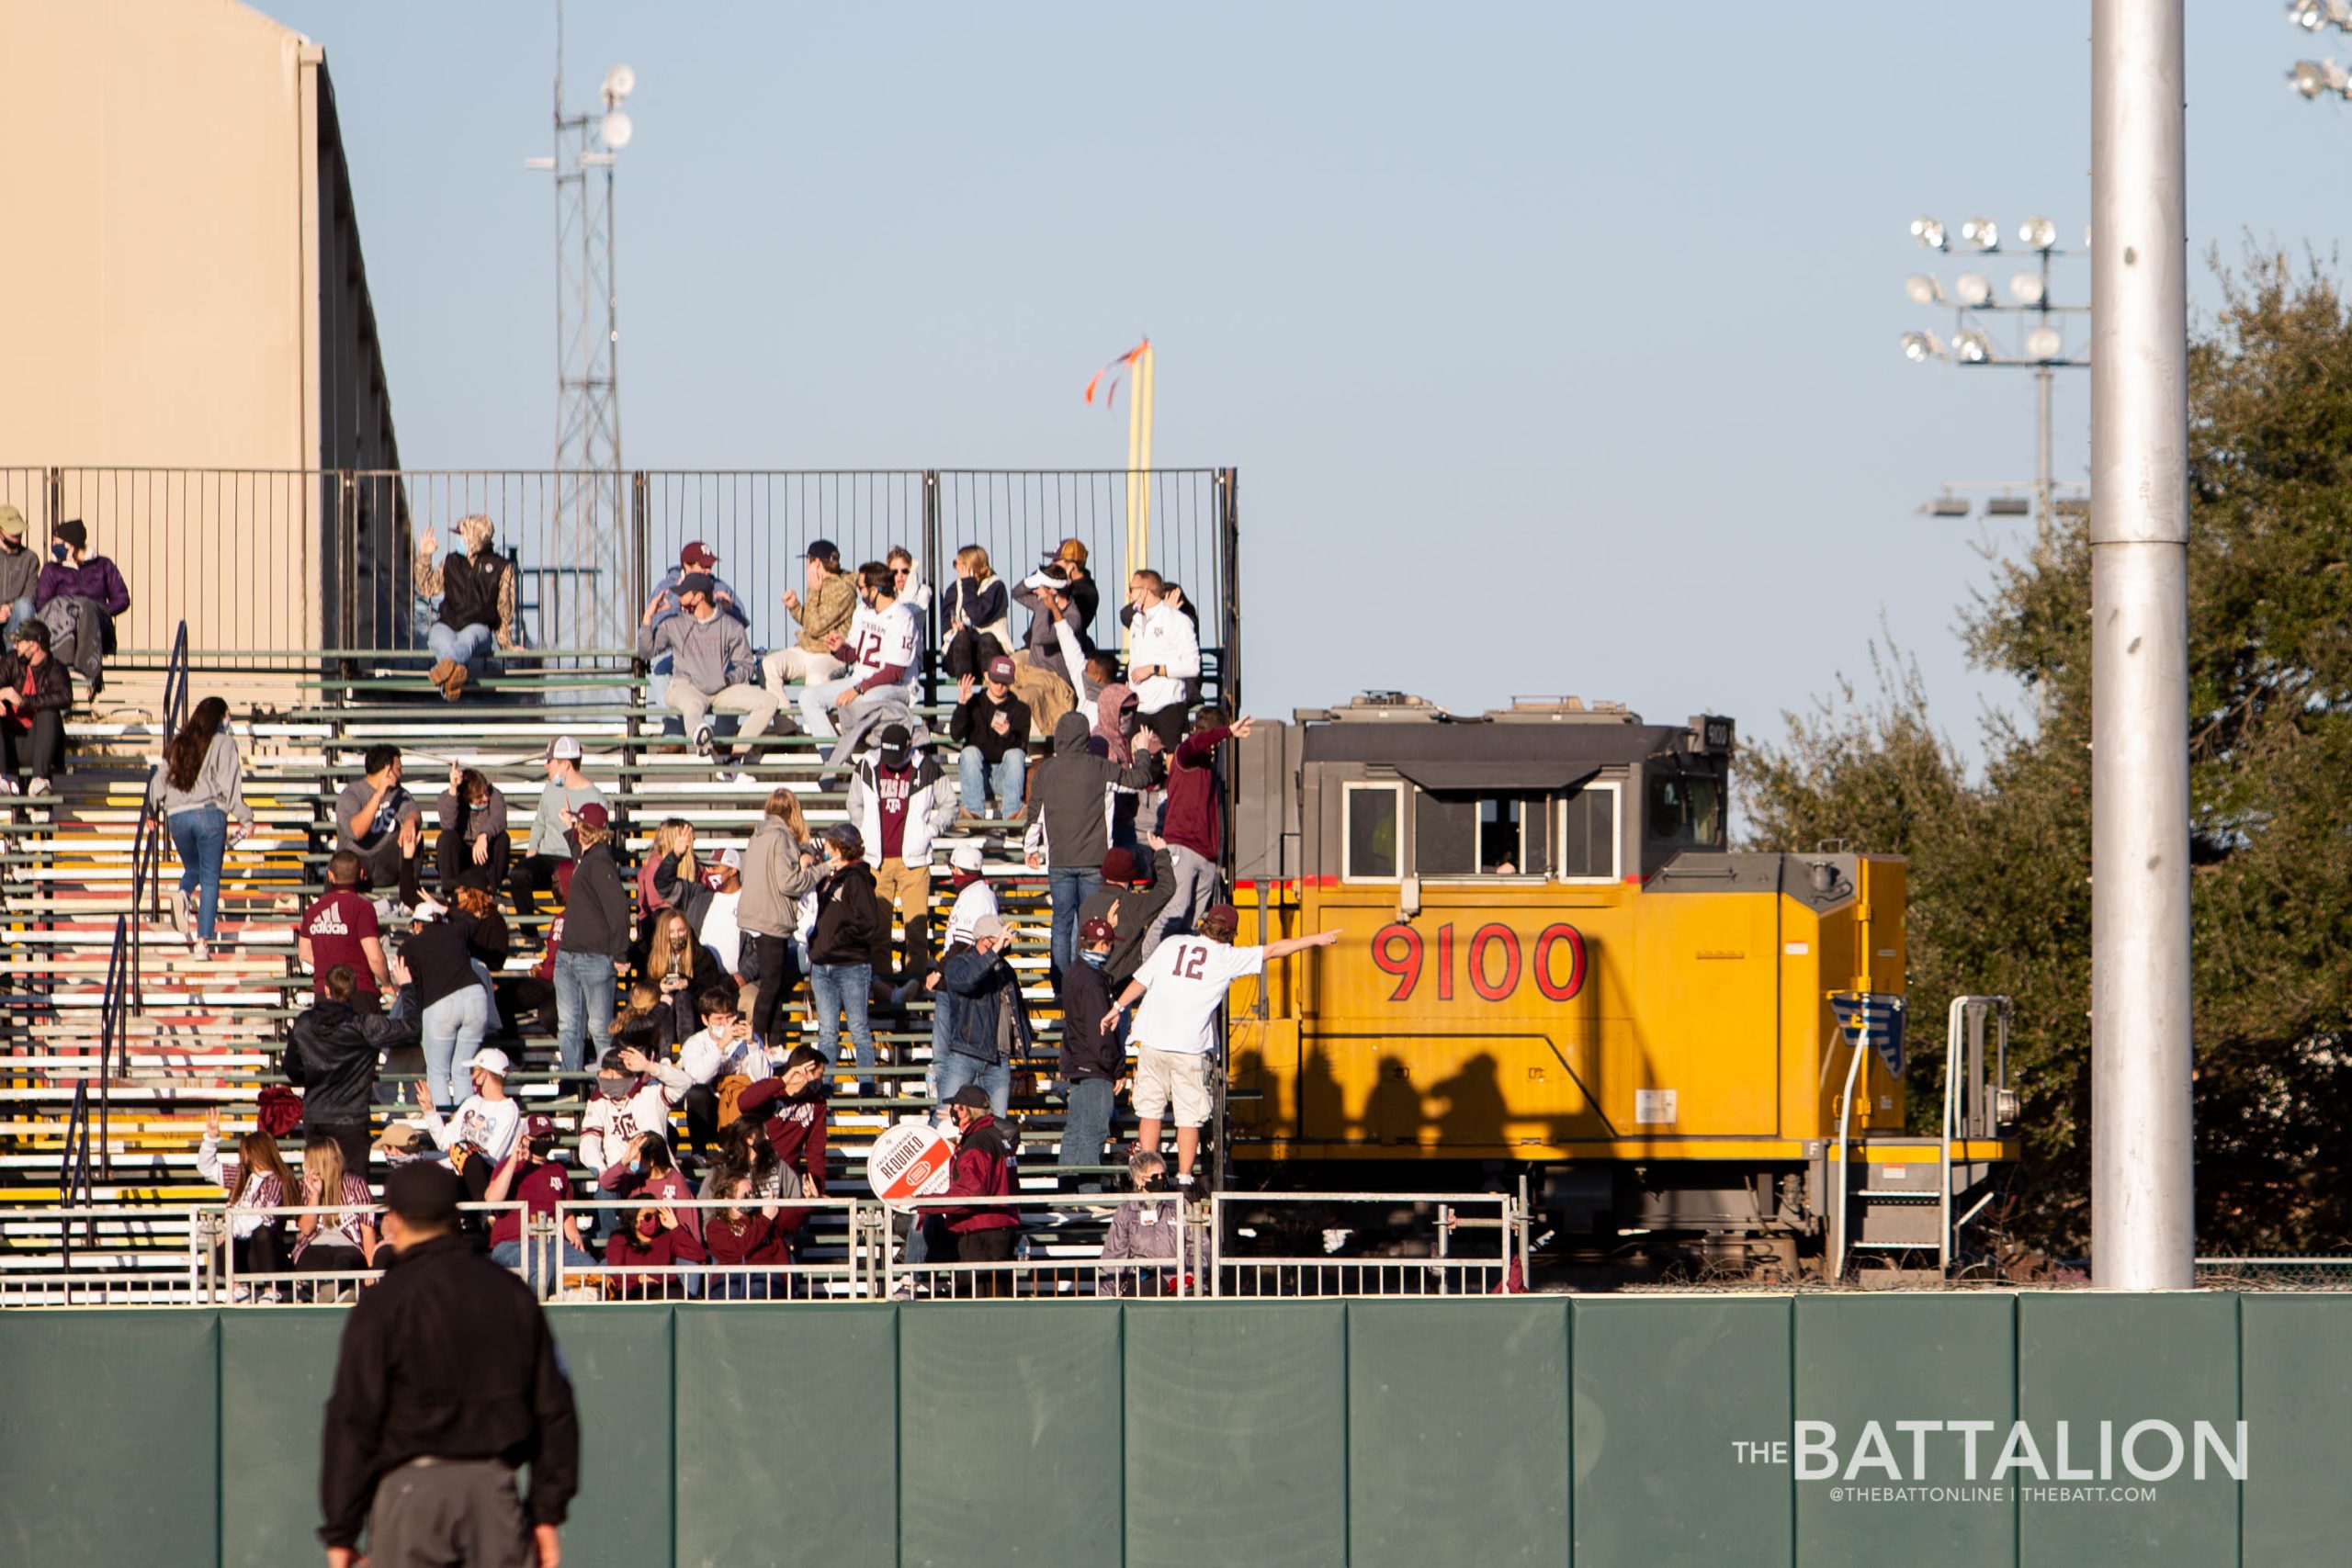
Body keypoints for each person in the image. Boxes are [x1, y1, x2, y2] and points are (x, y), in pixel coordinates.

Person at [319, 1161, 577, 1568]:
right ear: (455, 1217)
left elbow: (353, 1418)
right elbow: (555, 1409)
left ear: (396, 1220)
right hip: (493, 1495)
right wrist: (546, 1513)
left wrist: (341, 1530)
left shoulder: (383, 1303)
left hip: (409, 1500)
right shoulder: (510, 1293)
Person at [1104, 904, 1340, 1186]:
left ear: (1204, 924)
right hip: (1189, 1047)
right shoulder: (1227, 957)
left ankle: (1147, 1174)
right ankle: (1183, 1178)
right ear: (1231, 934)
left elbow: (1141, 980)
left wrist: (1117, 1006)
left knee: (1150, 1111)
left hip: (1153, 1040)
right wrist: (1315, 939)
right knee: (1188, 1118)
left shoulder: (1172, 943)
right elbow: (1275, 950)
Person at [1023, 712, 1159, 979]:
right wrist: (1142, 751)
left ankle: (1062, 984)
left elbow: (1034, 815)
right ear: (1085, 737)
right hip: (1096, 861)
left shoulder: (1046, 771)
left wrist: (1030, 849)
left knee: (1061, 924)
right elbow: (1140, 781)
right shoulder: (1099, 767)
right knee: (1090, 924)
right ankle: (1085, 979)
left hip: (1059, 861)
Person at [846, 723, 958, 980]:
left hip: (915, 863)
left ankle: (914, 988)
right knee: (877, 931)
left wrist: (929, 831)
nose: (893, 764)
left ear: (909, 746)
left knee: (917, 931)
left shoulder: (927, 767)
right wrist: (863, 831)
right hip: (875, 861)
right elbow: (854, 803)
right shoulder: (867, 765)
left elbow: (950, 805)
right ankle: (882, 991)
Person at [638, 570, 783, 762]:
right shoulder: (673, 624)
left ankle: (735, 756)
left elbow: (746, 665)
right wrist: (648, 616)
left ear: (698, 597)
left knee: (769, 702)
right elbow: (646, 652)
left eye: (684, 592)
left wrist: (728, 679)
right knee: (692, 707)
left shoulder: (730, 625)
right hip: (686, 686)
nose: (677, 596)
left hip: (721, 689)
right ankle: (701, 737)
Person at [1146, 712, 1252, 962]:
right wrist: (1228, 732)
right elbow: (1196, 743)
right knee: (1176, 909)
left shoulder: (1207, 766)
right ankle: (1145, 963)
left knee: (1193, 923)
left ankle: (1175, 968)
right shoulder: (1186, 754)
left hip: (1205, 855)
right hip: (1182, 846)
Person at [286, 964, 414, 1170]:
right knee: (353, 1189)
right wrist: (407, 988)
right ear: (353, 991)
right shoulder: (365, 1025)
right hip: (352, 1118)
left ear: (326, 989)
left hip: (317, 1114)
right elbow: (411, 1028)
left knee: (319, 1183)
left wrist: (315, 1075)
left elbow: (291, 1068)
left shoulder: (304, 1023)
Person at [638, 985, 767, 1154]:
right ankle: (699, 1152)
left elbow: (764, 1079)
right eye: (719, 1019)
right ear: (705, 1020)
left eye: (729, 1018)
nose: (725, 1024)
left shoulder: (749, 1040)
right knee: (696, 1092)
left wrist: (752, 1045)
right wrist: (721, 1046)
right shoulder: (694, 1043)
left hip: (740, 1104)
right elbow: (698, 1079)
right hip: (709, 1109)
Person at [399, 902, 503, 1110]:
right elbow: (474, 921)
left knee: (438, 1072)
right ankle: (466, 1128)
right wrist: (447, 908)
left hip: (439, 1005)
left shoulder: (409, 946)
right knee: (463, 1069)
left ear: (418, 925)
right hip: (475, 998)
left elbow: (412, 985)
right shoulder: (455, 931)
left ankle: (445, 1129)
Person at [799, 561, 919, 740]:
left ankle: (872, 743)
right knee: (807, 698)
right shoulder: (862, 611)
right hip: (859, 681)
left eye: (861, 588)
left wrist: (857, 689)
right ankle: (833, 758)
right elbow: (854, 654)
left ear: (875, 589)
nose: (859, 592)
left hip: (895, 687)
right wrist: (839, 649)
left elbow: (895, 672)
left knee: (864, 700)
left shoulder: (902, 617)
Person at [739, 787, 820, 1046]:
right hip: (771, 919)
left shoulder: (758, 835)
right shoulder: (781, 837)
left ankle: (772, 1043)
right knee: (772, 986)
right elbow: (790, 883)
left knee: (773, 984)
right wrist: (822, 869)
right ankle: (757, 1045)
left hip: (754, 917)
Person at [554, 801, 630, 1075]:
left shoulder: (599, 862)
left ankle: (610, 1083)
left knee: (599, 1029)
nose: (580, 831)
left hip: (595, 958)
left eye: (584, 827)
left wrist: (621, 953)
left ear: (594, 832)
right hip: (569, 957)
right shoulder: (588, 857)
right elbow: (578, 857)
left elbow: (619, 908)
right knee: (569, 1026)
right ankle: (572, 1085)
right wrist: (569, 826)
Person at [936, 913, 1033, 1123]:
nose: (1005, 945)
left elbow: (1016, 1009)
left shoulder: (1004, 969)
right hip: (966, 1054)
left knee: (996, 1125)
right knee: (945, 1121)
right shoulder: (958, 963)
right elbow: (967, 981)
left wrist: (1024, 1044)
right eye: (1000, 940)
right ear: (984, 939)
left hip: (999, 1060)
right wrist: (995, 951)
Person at [413, 513, 519, 700]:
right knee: (438, 639)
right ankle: (453, 676)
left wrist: (506, 645)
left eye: (462, 535)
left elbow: (504, 609)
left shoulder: (500, 567)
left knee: (466, 642)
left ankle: (444, 670)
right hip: (448, 623)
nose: (459, 540)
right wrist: (425, 556)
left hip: (479, 627)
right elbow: (426, 587)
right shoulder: (451, 561)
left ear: (474, 538)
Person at [923, 1084, 1019, 1292]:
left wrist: (925, 1202)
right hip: (1000, 1229)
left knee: (979, 1304)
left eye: (955, 1108)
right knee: (998, 1297)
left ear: (964, 1111)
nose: (952, 1113)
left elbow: (969, 1195)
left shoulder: (978, 1142)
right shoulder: (997, 1137)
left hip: (980, 1234)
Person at [807, 823, 881, 1089]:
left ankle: (867, 1086)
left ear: (841, 848)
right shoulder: (830, 877)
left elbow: (869, 922)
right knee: (827, 1032)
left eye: (830, 845)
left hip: (850, 964)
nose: (825, 849)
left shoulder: (857, 878)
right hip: (823, 964)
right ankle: (825, 1086)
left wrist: (839, 939)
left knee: (858, 1028)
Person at [482, 1114, 594, 1284]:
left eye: (546, 1136)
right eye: (538, 1137)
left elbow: (565, 1211)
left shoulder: (558, 1170)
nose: (543, 1141)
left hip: (553, 1243)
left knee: (588, 1268)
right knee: (538, 1272)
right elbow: (492, 1199)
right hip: (513, 1242)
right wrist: (513, 1160)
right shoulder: (509, 1166)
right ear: (525, 1139)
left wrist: (573, 1234)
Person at [198, 1106, 296, 1293]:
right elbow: (206, 1168)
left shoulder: (277, 1179)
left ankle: (270, 1290)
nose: (241, 1156)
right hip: (241, 1248)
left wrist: (231, 1227)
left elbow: (265, 1216)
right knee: (220, 1235)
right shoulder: (242, 1175)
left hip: (265, 1254)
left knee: (262, 1233)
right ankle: (237, 1287)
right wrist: (210, 1139)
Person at [1056, 917, 1122, 1189]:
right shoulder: (1094, 981)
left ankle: (1068, 1192)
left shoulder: (1073, 972)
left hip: (1077, 1061)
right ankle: (1088, 1196)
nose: (1110, 951)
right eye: (1109, 945)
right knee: (1093, 1132)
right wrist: (1116, 1068)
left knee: (1075, 1131)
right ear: (1103, 944)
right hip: (1095, 1065)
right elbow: (1101, 1032)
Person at [509, 736, 606, 919]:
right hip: (547, 856)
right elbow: (540, 821)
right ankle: (529, 933)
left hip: (575, 857)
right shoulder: (550, 789)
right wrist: (532, 848)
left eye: (551, 761)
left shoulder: (595, 797)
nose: (546, 766)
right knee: (519, 874)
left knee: (570, 879)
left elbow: (597, 839)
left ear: (566, 765)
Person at [644, 540, 746, 711]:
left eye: (710, 567)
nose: (708, 571)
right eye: (703, 566)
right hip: (682, 655)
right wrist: (681, 602)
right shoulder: (667, 588)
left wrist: (727, 610)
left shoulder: (719, 587)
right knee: (659, 671)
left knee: (736, 669)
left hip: (715, 653)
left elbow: (741, 622)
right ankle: (674, 731)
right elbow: (654, 626)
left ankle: (724, 734)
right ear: (687, 566)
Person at [32, 518, 128, 695]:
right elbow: (42, 605)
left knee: (86, 605)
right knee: (63, 603)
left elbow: (122, 598)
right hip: (63, 627)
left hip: (97, 628)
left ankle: (86, 669)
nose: (53, 545)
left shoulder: (103, 565)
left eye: (57, 542)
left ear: (71, 545)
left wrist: (98, 610)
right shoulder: (52, 569)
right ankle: (63, 667)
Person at [762, 536, 857, 696]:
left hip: (828, 655)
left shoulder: (843, 589)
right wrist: (796, 607)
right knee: (768, 665)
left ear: (817, 563)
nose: (806, 566)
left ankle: (819, 722)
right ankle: (786, 722)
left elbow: (814, 627)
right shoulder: (821, 585)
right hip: (806, 649)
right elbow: (815, 621)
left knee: (816, 681)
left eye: (808, 561)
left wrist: (813, 591)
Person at [733, 1045, 833, 1196]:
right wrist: (784, 1081)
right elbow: (744, 1103)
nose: (820, 1083)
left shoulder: (817, 1102)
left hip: (787, 1175)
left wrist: (818, 1188)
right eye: (818, 1078)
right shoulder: (773, 1091)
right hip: (756, 1170)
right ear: (804, 1074)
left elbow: (816, 1149)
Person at [1079, 841, 1177, 989]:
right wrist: (1161, 853)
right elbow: (1166, 889)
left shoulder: (1088, 903)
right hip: (1119, 986)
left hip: (1087, 982)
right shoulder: (1132, 904)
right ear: (1130, 875)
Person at [300, 852, 390, 1009]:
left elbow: (304, 953)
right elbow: (375, 956)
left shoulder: (313, 910)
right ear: (361, 874)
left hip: (325, 992)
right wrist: (387, 983)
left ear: (330, 875)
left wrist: (334, 970)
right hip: (359, 991)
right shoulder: (362, 908)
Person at [1124, 570, 1201, 752]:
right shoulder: (1136, 621)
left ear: (1145, 590)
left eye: (1132, 589)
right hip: (1141, 705)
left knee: (1173, 761)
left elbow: (1192, 666)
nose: (1128, 595)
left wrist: (1154, 669)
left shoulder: (1177, 620)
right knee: (1136, 759)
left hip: (1168, 704)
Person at [336, 743, 425, 900]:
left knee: (414, 836)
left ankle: (409, 898)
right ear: (387, 769)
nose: (401, 773)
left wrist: (411, 822)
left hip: (384, 864)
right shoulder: (351, 794)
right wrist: (378, 794)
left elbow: (412, 811)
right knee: (340, 864)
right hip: (355, 866)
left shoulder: (398, 793)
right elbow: (356, 832)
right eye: (398, 769)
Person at [1098, 1149, 1192, 1296]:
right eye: (1155, 1177)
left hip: (1178, 1277)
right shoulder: (1126, 1211)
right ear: (1139, 1180)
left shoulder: (1180, 1205)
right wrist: (1106, 1297)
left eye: (1163, 1175)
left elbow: (1198, 1246)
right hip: (1142, 1280)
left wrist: (1191, 1274)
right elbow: (1115, 1256)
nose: (1161, 1180)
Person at [412, 1046, 523, 1168]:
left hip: (479, 1178)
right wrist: (430, 1111)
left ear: (484, 1075)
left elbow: (491, 1159)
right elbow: (445, 1142)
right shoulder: (471, 1102)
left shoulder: (508, 1111)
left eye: (474, 1071)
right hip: (455, 1170)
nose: (471, 1077)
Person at [950, 654, 1031, 819]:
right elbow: (956, 735)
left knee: (1015, 754)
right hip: (978, 775)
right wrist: (962, 705)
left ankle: (1012, 816)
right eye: (996, 681)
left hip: (1007, 777)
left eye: (1005, 682)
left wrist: (1008, 735)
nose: (1000, 686)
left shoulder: (1021, 709)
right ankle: (973, 814)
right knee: (970, 753)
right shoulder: (973, 703)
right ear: (986, 676)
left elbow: (1023, 746)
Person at [578, 1043, 678, 1178]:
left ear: (611, 1073)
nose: (597, 1076)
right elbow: (589, 1141)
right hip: (620, 1176)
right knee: (606, 1190)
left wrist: (650, 1067)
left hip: (656, 1172)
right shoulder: (597, 1101)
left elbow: (685, 1083)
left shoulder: (650, 1093)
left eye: (600, 1071)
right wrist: (602, 1171)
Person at [291, 1135, 378, 1288]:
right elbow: (306, 1229)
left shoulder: (355, 1184)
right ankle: (332, 1293)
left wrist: (371, 1269)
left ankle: (331, 1293)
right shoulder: (305, 1186)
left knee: (344, 1263)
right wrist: (315, 1196)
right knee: (313, 1264)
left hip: (349, 1244)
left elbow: (367, 1230)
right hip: (315, 1244)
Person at [0, 620, 69, 795]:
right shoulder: (11, 661)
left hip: (39, 745)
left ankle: (40, 780)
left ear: (33, 645)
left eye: (19, 642)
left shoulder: (56, 669)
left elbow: (65, 697)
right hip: (8, 744)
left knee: (49, 713)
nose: (15, 647)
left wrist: (24, 701)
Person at [700, 1174, 793, 1299]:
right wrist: (765, 1220)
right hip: (731, 1271)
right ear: (727, 1199)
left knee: (757, 1290)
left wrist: (808, 1199)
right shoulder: (715, 1226)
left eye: (752, 1194)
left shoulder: (761, 1217)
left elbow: (792, 1218)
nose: (751, 1199)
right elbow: (739, 1250)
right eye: (746, 1195)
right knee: (729, 1292)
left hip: (764, 1270)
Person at [435, 763, 511, 900]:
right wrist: (453, 789)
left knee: (503, 838)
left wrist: (484, 835)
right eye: (479, 796)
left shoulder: (495, 795)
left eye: (486, 793)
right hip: (462, 856)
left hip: (485, 856)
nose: (486, 798)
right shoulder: (447, 798)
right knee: (446, 838)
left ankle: (490, 891)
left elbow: (499, 818)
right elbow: (448, 824)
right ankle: (452, 893)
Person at [602, 1201, 706, 1300]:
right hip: (634, 1291)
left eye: (656, 1215)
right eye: (648, 1217)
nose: (654, 1220)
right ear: (634, 1220)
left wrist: (675, 1228)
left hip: (666, 1290)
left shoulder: (666, 1238)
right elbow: (615, 1271)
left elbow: (699, 1255)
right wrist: (639, 1278)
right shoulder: (619, 1239)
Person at [940, 543, 1012, 682]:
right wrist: (953, 629)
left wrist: (968, 583)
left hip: (989, 655)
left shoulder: (996, 587)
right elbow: (945, 622)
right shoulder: (954, 589)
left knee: (987, 638)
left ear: (972, 568)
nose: (957, 570)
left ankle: (990, 690)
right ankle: (965, 692)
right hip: (959, 657)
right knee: (962, 637)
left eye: (960, 565)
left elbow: (978, 615)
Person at [885, 545, 932, 669]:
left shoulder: (923, 592)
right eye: (894, 572)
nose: (900, 576)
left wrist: (912, 577)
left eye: (905, 571)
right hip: (886, 653)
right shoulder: (885, 594)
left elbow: (906, 615)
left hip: (911, 655)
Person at [0, 504, 37, 637]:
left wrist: (8, 607)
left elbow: (30, 594)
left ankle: (17, 655)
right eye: (12, 532)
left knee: (25, 606)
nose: (17, 535)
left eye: (19, 531)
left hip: (14, 617)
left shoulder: (29, 558)